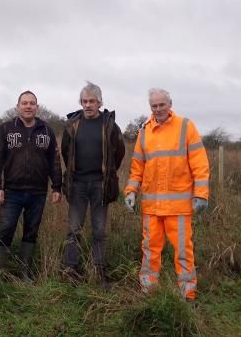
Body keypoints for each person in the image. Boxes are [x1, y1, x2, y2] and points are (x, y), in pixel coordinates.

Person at [124, 88, 209, 302]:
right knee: (150, 251)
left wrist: (201, 194)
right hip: (152, 208)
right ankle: (148, 292)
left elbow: (200, 164)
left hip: (179, 208)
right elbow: (137, 167)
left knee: (183, 252)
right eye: (154, 106)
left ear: (170, 104)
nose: (158, 109)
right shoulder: (144, 131)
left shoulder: (185, 126)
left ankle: (187, 295)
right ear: (150, 107)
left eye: (162, 105)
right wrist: (131, 190)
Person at [0, 90, 62, 282]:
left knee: (31, 232)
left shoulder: (46, 130)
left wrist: (57, 187)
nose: (28, 106)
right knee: (5, 230)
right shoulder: (6, 129)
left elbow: (54, 160)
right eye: (24, 103)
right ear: (18, 106)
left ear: (37, 107)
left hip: (37, 192)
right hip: (11, 191)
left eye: (32, 103)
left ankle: (24, 273)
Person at [61, 81, 125, 289]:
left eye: (92, 101)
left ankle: (98, 272)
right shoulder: (72, 125)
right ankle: (70, 270)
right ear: (81, 103)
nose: (88, 105)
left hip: (100, 185)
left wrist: (107, 175)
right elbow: (65, 152)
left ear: (100, 102)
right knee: (74, 229)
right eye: (84, 101)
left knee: (98, 230)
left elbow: (119, 153)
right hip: (77, 184)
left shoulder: (110, 125)